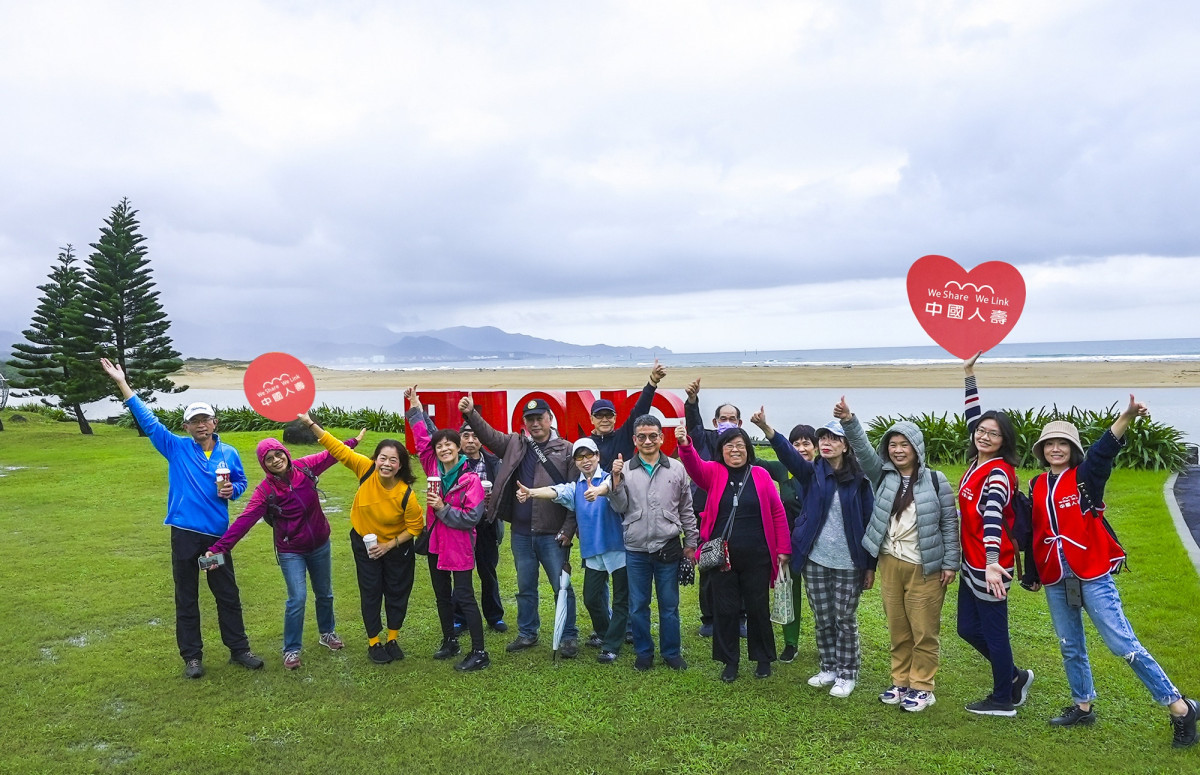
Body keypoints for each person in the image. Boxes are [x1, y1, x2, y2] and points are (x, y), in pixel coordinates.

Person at [1025, 396, 1197, 747]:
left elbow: (1104, 452)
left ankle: (1181, 707)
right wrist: (1032, 574)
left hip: (1092, 574)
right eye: (1049, 444)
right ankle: (1082, 705)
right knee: (1069, 644)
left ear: (1072, 450)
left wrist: (1126, 417)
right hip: (1057, 578)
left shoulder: (1086, 477)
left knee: (1123, 644)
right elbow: (1035, 531)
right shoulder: (1037, 485)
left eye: (1062, 444)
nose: (1055, 449)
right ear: (1041, 451)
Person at [99, 357, 263, 679]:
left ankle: (239, 649)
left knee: (227, 594)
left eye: (206, 419)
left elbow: (241, 483)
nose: (201, 425)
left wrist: (235, 491)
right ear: (186, 427)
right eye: (194, 421)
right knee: (186, 596)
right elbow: (148, 421)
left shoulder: (228, 453)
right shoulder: (175, 448)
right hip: (185, 534)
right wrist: (122, 383)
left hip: (217, 537)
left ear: (215, 422)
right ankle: (192, 657)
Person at [834, 396, 959, 712]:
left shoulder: (936, 480)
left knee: (923, 630)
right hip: (890, 562)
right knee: (898, 628)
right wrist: (849, 421)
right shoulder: (883, 477)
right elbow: (862, 449)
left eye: (904, 444)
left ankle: (922, 686)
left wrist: (950, 564)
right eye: (893, 444)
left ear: (916, 447)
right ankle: (900, 681)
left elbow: (949, 523)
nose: (898, 450)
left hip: (925, 566)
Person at [205, 431, 364, 669]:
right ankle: (291, 649)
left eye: (279, 454)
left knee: (325, 593)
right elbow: (244, 521)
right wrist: (218, 549)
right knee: (297, 598)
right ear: (264, 465)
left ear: (286, 454)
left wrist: (352, 442)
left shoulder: (305, 468)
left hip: (320, 542)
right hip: (291, 551)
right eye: (269, 459)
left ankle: (327, 633)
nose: (276, 460)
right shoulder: (265, 491)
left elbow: (332, 454)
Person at [750, 407, 875, 698]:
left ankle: (847, 673)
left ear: (846, 445)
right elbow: (787, 454)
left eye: (834, 438)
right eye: (823, 438)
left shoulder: (860, 479)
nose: (826, 443)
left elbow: (868, 522)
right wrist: (767, 428)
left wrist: (869, 565)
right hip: (815, 558)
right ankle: (828, 667)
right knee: (823, 616)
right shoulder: (812, 472)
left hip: (849, 561)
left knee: (845, 618)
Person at [298, 411, 424, 665]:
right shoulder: (364, 469)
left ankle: (392, 638)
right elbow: (337, 448)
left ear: (401, 465)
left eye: (393, 460)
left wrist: (388, 545)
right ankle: (374, 642)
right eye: (382, 458)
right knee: (371, 591)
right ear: (375, 459)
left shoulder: (406, 495)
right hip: (365, 543)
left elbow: (415, 527)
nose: (386, 464)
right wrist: (311, 423)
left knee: (397, 590)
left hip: (396, 546)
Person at [459, 395, 579, 656]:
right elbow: (489, 436)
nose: (535, 423)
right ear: (524, 422)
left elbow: (575, 495)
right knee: (526, 587)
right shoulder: (515, 444)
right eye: (530, 419)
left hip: (553, 533)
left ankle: (569, 635)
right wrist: (471, 413)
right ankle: (527, 633)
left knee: (562, 587)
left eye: (540, 418)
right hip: (522, 533)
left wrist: (569, 530)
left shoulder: (567, 450)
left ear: (550, 419)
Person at [676, 423, 790, 682]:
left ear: (749, 450)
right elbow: (694, 466)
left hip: (758, 555)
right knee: (725, 609)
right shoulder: (713, 472)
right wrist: (685, 445)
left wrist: (783, 548)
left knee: (757, 607)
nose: (735, 450)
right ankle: (730, 661)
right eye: (730, 446)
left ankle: (763, 659)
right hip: (722, 556)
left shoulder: (760, 474)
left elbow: (777, 511)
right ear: (721, 450)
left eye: (740, 445)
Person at [955, 352, 1034, 716]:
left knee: (994, 633)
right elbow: (975, 415)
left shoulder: (998, 473)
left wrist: (989, 563)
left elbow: (991, 518)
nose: (985, 435)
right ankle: (1014, 677)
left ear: (1005, 441)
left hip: (991, 564)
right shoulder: (978, 460)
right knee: (967, 629)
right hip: (972, 561)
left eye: (994, 433)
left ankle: (1004, 697)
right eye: (982, 432)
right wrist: (969, 374)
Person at [517, 438, 629, 663]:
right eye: (580, 457)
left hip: (617, 549)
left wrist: (598, 490)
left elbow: (609, 488)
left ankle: (611, 646)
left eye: (589, 456)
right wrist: (531, 492)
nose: (585, 461)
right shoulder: (575, 487)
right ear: (575, 462)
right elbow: (555, 491)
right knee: (591, 598)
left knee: (620, 601)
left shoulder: (609, 478)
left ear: (597, 456)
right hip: (593, 552)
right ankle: (606, 633)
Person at [405, 392, 490, 672]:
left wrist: (441, 508)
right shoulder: (432, 468)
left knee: (464, 595)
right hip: (435, 543)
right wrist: (415, 406)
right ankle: (450, 640)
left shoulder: (471, 480)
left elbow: (471, 518)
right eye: (439, 446)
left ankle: (479, 652)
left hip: (459, 545)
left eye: (449, 445)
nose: (443, 449)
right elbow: (420, 439)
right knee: (441, 594)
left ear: (458, 449)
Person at [607, 414, 699, 672]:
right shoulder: (624, 469)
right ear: (634, 440)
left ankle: (671, 653)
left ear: (662, 438)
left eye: (653, 436)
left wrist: (690, 542)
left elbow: (686, 509)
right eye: (642, 437)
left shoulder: (677, 468)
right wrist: (614, 482)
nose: (648, 441)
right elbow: (620, 507)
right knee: (638, 606)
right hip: (636, 549)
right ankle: (643, 653)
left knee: (669, 606)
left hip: (668, 546)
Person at [683, 377, 747, 638]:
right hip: (706, 513)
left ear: (740, 424)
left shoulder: (742, 445)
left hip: (737, 513)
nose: (727, 422)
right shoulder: (705, 439)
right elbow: (693, 426)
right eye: (723, 418)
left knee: (739, 564)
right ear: (715, 422)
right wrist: (692, 400)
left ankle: (740, 617)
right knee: (709, 563)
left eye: (732, 418)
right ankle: (709, 618)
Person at [756, 423, 817, 663]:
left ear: (816, 447)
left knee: (821, 597)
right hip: (789, 545)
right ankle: (791, 643)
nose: (801, 448)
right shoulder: (782, 469)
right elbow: (752, 461)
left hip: (817, 545)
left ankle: (829, 642)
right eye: (796, 443)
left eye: (806, 443)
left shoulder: (823, 470)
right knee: (787, 593)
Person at [458, 420, 506, 633]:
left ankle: (494, 617)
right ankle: (459, 617)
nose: (470, 441)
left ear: (481, 439)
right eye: (466, 436)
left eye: (475, 436)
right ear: (459, 440)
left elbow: (504, 490)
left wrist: (493, 500)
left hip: (486, 525)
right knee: (461, 574)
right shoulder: (454, 463)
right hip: (460, 527)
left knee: (488, 573)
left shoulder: (494, 462)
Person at [588, 359, 667, 471]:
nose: (604, 419)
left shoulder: (624, 436)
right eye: (599, 416)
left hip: (624, 487)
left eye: (609, 415)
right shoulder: (585, 444)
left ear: (615, 418)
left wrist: (653, 382)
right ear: (591, 419)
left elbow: (639, 411)